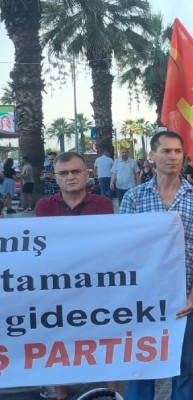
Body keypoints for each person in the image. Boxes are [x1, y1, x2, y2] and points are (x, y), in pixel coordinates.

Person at [121, 131, 193, 400]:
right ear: (152, 156)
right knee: (141, 364)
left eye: (177, 151)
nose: (172, 157)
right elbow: (125, 249)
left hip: (183, 296)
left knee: (183, 365)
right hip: (143, 297)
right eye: (166, 151)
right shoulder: (134, 198)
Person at [34, 151, 119, 400]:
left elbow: (102, 244)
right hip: (58, 285)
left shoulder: (103, 204)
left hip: (97, 284)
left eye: (75, 171)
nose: (70, 177)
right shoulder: (44, 206)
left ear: (87, 174)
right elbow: (48, 246)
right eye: (64, 173)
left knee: (107, 337)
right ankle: (61, 395)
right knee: (58, 339)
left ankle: (110, 393)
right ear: (56, 177)